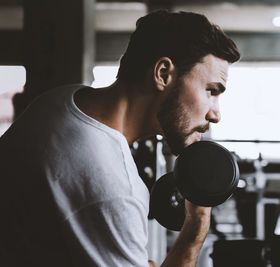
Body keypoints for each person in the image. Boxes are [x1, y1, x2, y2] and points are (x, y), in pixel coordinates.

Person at [0, 10, 240, 267]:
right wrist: (196, 227)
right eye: (211, 91)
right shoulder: (114, 189)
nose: (215, 115)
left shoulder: (59, 100)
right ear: (163, 74)